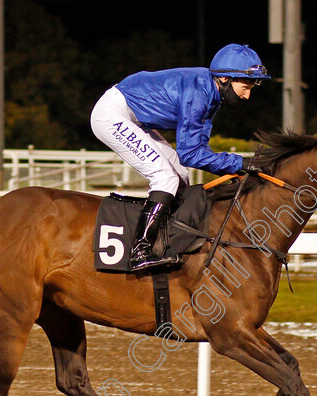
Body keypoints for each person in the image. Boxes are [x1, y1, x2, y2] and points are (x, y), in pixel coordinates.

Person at [91, 43, 270, 272]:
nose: (247, 96)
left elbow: (198, 152)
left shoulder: (212, 95)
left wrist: (234, 168)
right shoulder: (199, 93)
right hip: (112, 114)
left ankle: (166, 241)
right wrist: (240, 163)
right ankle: (139, 251)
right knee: (165, 178)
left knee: (180, 176)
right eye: (245, 86)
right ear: (225, 79)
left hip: (133, 116)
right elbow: (190, 154)